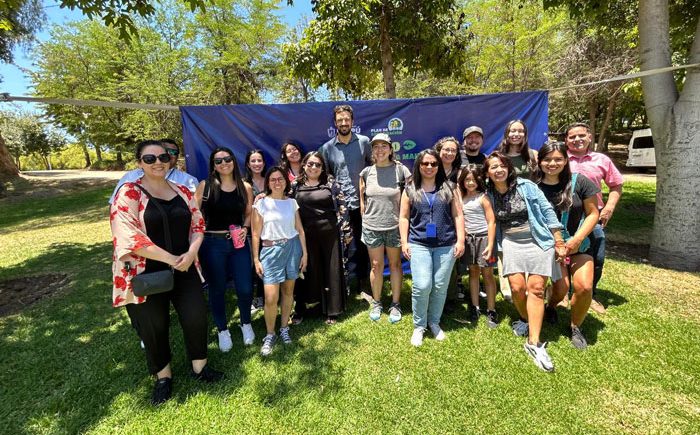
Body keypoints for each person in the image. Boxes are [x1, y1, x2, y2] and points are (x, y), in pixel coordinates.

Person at [110, 140, 222, 405]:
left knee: (196, 317)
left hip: (185, 266)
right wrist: (171, 259)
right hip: (146, 272)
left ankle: (200, 367)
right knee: (153, 325)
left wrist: (191, 253)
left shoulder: (182, 190)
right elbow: (128, 236)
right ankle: (163, 377)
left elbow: (198, 225)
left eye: (163, 157)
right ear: (139, 163)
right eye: (150, 159)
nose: (158, 162)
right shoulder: (129, 192)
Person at [484, 151, 566, 372]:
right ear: (488, 172)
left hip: (537, 239)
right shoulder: (488, 194)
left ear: (509, 168)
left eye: (502, 165)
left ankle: (534, 343)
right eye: (493, 167)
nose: (499, 170)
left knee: (536, 288)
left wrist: (558, 240)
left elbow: (547, 211)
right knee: (517, 288)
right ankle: (525, 318)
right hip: (511, 242)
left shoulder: (526, 186)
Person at [534, 141, 600, 349]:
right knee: (561, 288)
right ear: (539, 161)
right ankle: (552, 305)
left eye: (558, 159)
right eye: (547, 159)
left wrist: (577, 239)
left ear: (565, 161)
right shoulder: (534, 186)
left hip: (579, 244)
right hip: (551, 247)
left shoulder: (580, 182)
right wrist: (556, 244)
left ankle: (575, 326)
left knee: (584, 287)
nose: (552, 163)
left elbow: (593, 213)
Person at [399, 149, 465, 347]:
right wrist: (404, 242)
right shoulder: (410, 189)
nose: (429, 167)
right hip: (419, 243)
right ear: (418, 165)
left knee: (440, 286)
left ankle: (434, 322)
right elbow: (403, 217)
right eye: (425, 163)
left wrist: (461, 240)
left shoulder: (450, 187)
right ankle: (419, 326)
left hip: (446, 244)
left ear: (439, 166)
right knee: (422, 285)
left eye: (434, 164)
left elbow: (458, 215)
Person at [195, 147, 255, 352]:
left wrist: (245, 228)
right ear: (213, 165)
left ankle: (246, 323)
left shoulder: (245, 186)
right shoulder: (205, 186)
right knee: (217, 289)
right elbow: (195, 215)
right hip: (212, 243)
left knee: (245, 287)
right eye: (218, 161)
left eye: (227, 159)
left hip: (238, 243)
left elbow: (249, 213)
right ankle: (222, 330)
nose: (224, 163)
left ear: (233, 161)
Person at [565, 122, 623, 314]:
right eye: (572, 137)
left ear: (590, 137)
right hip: (566, 215)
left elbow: (616, 185)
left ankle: (590, 294)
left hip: (592, 215)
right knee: (563, 255)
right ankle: (563, 292)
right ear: (566, 140)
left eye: (581, 135)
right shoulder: (560, 158)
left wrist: (609, 208)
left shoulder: (602, 160)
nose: (577, 139)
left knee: (596, 256)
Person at [252, 166, 308, 356]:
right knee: (270, 297)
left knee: (288, 291)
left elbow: (300, 230)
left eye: (280, 179)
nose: (277, 182)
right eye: (273, 179)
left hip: (293, 248)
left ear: (286, 181)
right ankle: (270, 334)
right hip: (270, 251)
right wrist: (256, 259)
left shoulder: (292, 203)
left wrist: (305, 254)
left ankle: (284, 327)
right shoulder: (261, 204)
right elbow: (255, 234)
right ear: (268, 182)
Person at [291, 152, 352, 325]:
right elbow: (283, 201)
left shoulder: (331, 183)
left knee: (331, 271)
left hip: (330, 235)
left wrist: (347, 231)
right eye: (310, 164)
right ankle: (302, 308)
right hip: (305, 236)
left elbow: (343, 207)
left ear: (323, 168)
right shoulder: (295, 185)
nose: (314, 167)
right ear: (304, 165)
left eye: (318, 164)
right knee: (306, 270)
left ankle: (332, 310)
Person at [359, 133, 411, 323]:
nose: (379, 150)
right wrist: (366, 219)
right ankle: (377, 302)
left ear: (390, 149)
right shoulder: (366, 173)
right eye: (376, 146)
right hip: (372, 227)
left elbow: (410, 197)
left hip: (395, 227)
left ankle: (395, 303)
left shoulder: (401, 170)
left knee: (395, 265)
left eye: (384, 146)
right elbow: (362, 201)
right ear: (372, 150)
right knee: (376, 265)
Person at [319, 104, 372, 290]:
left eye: (346, 119)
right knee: (343, 247)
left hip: (363, 204)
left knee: (363, 245)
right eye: (340, 120)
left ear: (352, 121)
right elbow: (325, 177)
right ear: (335, 123)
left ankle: (364, 283)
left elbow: (373, 169)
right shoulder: (327, 148)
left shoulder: (364, 142)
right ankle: (343, 285)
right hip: (339, 207)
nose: (343, 123)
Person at [457, 165, 498, 327]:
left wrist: (490, 243)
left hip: (484, 239)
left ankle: (491, 309)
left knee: (487, 274)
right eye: (467, 179)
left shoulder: (483, 197)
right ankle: (475, 306)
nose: (470, 183)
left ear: (479, 180)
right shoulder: (461, 198)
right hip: (469, 240)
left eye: (473, 180)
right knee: (473, 272)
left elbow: (491, 221)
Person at [108, 138, 197, 204]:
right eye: (165, 151)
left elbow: (195, 211)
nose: (168, 154)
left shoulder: (189, 181)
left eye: (173, 152)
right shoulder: (130, 178)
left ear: (177, 156)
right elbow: (114, 205)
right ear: (139, 162)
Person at [244, 149, 267, 311]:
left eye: (259, 160)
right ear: (248, 164)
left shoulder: (270, 180)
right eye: (253, 161)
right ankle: (256, 298)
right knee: (254, 263)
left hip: (270, 229)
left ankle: (267, 294)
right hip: (251, 230)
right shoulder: (243, 183)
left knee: (266, 262)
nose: (257, 164)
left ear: (264, 163)